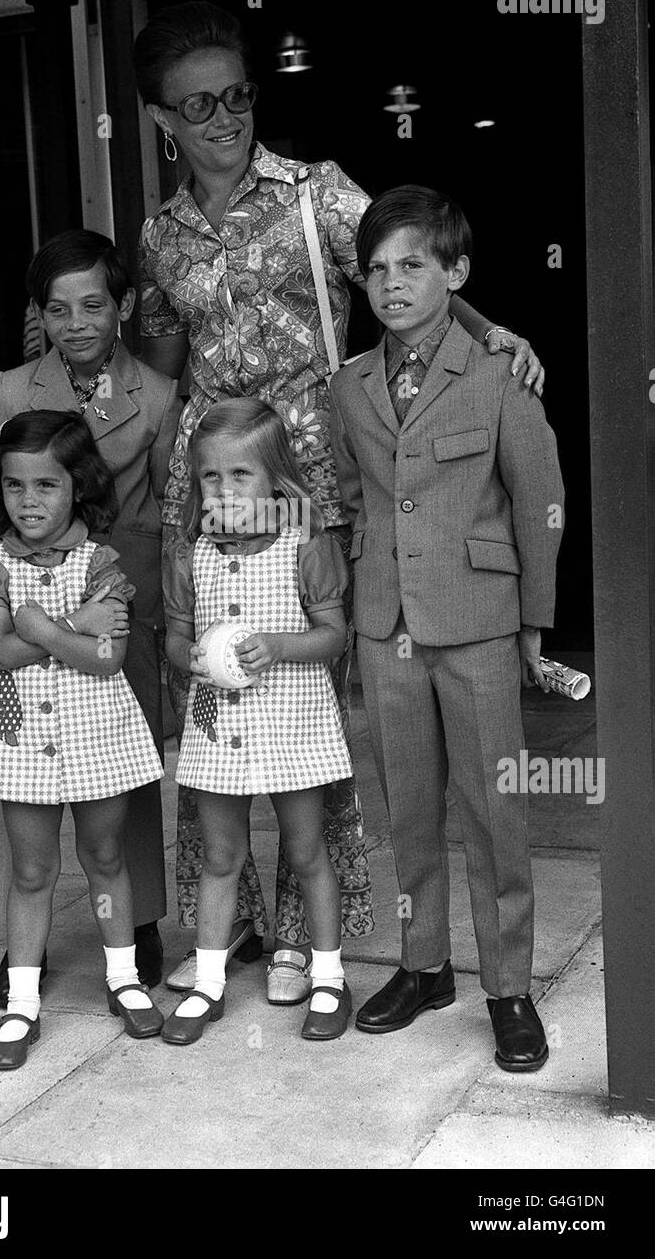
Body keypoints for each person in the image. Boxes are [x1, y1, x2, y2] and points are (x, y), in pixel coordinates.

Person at [134, 0, 545, 1002]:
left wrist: (491, 334)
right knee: (220, 691)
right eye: (199, 104)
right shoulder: (159, 238)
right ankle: (233, 917)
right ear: (161, 120)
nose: (225, 117)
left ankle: (311, 930)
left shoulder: (315, 191)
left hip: (316, 482)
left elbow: (408, 264)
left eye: (237, 95)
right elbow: (163, 360)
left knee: (311, 705)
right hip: (212, 491)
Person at [329, 185, 564, 1071]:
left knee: (495, 809)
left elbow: (539, 500)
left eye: (413, 265)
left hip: (477, 622)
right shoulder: (349, 386)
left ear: (456, 273)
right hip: (385, 623)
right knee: (407, 808)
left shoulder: (501, 372)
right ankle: (423, 964)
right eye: (376, 269)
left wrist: (533, 623)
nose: (391, 284)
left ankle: (509, 986)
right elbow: (356, 500)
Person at [0, 230, 181, 1000]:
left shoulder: (156, 394)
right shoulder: (12, 390)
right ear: (40, 315)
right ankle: (21, 941)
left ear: (122, 306)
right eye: (58, 310)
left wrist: (149, 608)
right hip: (28, 602)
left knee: (125, 767)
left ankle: (140, 919)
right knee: (22, 773)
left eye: (93, 305)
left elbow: (165, 510)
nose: (77, 324)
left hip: (118, 604)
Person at [0, 411, 165, 1069]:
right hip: (20, 746)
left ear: (79, 485)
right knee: (31, 870)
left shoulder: (102, 564)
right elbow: (3, 651)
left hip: (98, 737)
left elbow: (108, 659)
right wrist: (75, 625)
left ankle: (124, 979)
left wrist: (44, 628)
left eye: (46, 484)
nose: (28, 500)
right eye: (14, 485)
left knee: (105, 855)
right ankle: (22, 1003)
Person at [161, 399, 354, 1044]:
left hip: (294, 723)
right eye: (210, 476)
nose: (224, 489)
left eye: (241, 474)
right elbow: (176, 638)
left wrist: (277, 645)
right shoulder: (190, 553)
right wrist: (189, 657)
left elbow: (333, 636)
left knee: (306, 851)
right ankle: (209, 984)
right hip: (219, 729)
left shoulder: (307, 545)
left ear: (275, 478)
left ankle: (328, 978)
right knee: (221, 856)